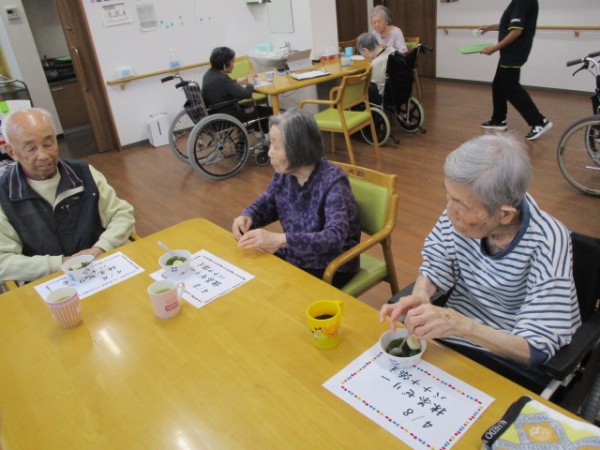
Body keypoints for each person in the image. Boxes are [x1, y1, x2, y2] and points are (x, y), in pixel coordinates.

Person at [379, 134, 580, 387]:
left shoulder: (549, 241)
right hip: (456, 341)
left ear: (505, 214)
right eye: (449, 196)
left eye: (459, 203)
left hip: (508, 357)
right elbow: (438, 261)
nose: (449, 211)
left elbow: (534, 349)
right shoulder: (459, 216)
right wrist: (422, 294)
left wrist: (462, 326)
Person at [0, 108, 135, 283]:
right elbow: (4, 261)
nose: (44, 155)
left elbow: (122, 214)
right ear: (11, 152)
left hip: (99, 266)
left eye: (49, 144)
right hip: (47, 281)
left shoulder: (83, 173)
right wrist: (62, 263)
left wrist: (100, 248)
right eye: (31, 149)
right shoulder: (4, 194)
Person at [232, 109, 361, 288]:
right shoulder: (284, 174)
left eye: (276, 147)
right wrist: (248, 216)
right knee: (250, 276)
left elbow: (334, 237)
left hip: (332, 265)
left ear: (298, 150)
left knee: (272, 289)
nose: (269, 153)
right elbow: (268, 203)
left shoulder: (333, 183)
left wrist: (279, 240)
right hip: (294, 255)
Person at [479, 0, 552, 141]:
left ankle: (539, 121)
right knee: (498, 85)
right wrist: (490, 27)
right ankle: (498, 120)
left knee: (511, 88)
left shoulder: (521, 2)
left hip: (513, 53)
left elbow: (516, 32)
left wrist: (494, 48)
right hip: (510, 53)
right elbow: (510, 25)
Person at [202, 46, 271, 134]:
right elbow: (247, 94)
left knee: (256, 109)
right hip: (230, 116)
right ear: (225, 65)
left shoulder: (209, 75)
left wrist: (242, 81)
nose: (233, 64)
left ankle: (259, 135)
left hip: (217, 114)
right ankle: (268, 138)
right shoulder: (221, 78)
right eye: (232, 61)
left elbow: (226, 85)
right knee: (266, 111)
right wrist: (250, 81)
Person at [356, 32, 396, 104]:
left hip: (383, 95)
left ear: (365, 50)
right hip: (399, 90)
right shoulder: (392, 50)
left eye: (362, 54)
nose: (364, 57)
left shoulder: (376, 63)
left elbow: (374, 84)